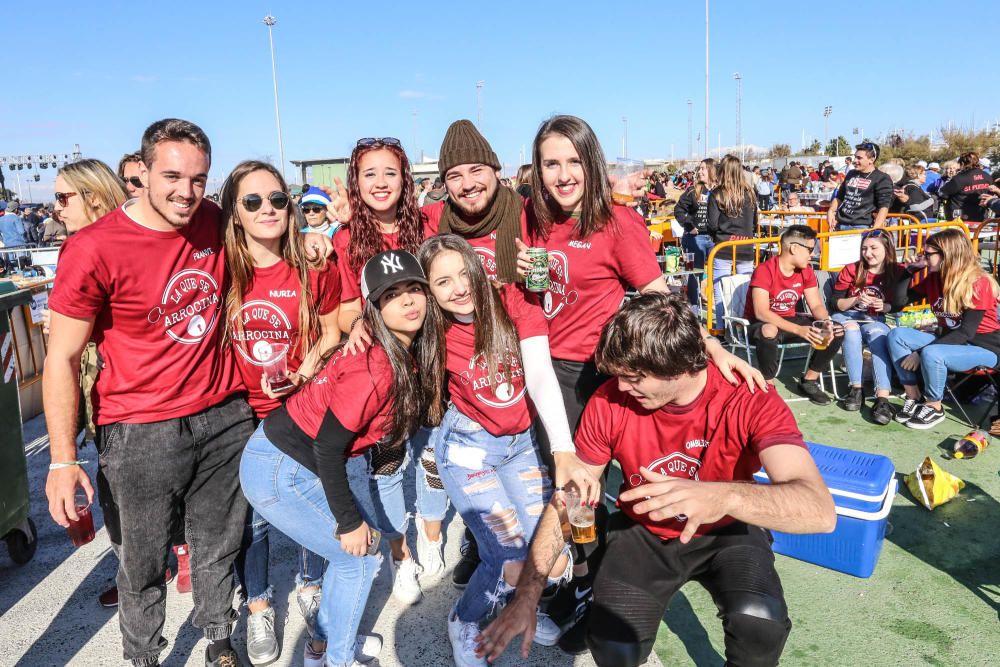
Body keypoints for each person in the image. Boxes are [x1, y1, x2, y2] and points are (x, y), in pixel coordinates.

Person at [476, 292, 836, 667]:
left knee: (759, 621)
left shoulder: (748, 397)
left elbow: (819, 509)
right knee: (613, 645)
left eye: (634, 377)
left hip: (727, 530)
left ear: (680, 367)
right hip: (645, 531)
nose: (622, 387)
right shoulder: (611, 399)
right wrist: (528, 595)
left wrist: (721, 497)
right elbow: (570, 497)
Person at [521, 116, 765, 652]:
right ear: (536, 169)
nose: (563, 175)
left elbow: (664, 300)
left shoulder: (616, 223)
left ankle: (594, 595)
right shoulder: (530, 219)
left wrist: (714, 348)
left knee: (590, 491)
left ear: (592, 162)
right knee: (562, 488)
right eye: (550, 163)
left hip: (600, 373)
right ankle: (582, 582)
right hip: (545, 370)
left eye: (573, 161)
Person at [44, 118, 254, 667]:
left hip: (224, 415)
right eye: (172, 176)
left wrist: (314, 242)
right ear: (140, 172)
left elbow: (274, 254)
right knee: (141, 564)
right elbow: (61, 358)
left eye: (199, 179)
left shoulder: (214, 220)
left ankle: (218, 640)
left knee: (219, 546)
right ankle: (144, 655)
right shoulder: (93, 247)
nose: (186, 192)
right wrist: (62, 460)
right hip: (139, 429)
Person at [241, 249, 435, 667]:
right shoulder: (376, 367)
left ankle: (323, 647)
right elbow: (328, 447)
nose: (408, 300)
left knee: (353, 559)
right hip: (281, 468)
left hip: (293, 457)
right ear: (375, 308)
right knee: (359, 560)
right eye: (392, 295)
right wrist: (348, 521)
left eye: (414, 289)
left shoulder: (396, 345)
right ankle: (337, 659)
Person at [418, 235, 592, 667]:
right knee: (511, 559)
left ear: (478, 268)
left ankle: (524, 604)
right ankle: (464, 620)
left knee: (550, 559)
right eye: (442, 282)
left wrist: (563, 448)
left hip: (521, 446)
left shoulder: (512, 300)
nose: (458, 287)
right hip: (469, 446)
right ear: (429, 291)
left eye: (463, 272)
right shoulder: (430, 325)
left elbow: (537, 372)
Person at [221, 160, 343, 664]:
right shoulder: (220, 271)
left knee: (307, 504)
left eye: (276, 199)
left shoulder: (315, 265)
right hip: (240, 414)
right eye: (252, 202)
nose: (267, 209)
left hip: (299, 409)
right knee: (255, 521)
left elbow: (333, 333)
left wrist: (306, 370)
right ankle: (258, 606)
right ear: (235, 214)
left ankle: (310, 586)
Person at [334, 136, 444, 602]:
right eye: (369, 174)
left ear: (407, 179)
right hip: (385, 380)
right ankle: (402, 556)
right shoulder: (344, 239)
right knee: (389, 469)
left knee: (436, 460)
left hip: (436, 368)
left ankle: (434, 536)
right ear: (356, 183)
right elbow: (340, 312)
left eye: (390, 173)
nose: (381, 183)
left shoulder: (431, 223)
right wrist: (359, 320)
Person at [888, 228, 1000, 429]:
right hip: (953, 343)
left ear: (947, 255)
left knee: (932, 352)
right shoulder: (935, 278)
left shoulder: (979, 283)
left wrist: (920, 352)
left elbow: (967, 332)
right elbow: (899, 303)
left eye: (928, 254)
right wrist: (909, 271)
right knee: (897, 335)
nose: (924, 257)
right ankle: (913, 397)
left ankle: (934, 406)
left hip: (986, 348)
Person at [744, 224, 844, 404]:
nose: (813, 254)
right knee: (769, 330)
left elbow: (815, 305)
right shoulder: (764, 270)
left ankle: (810, 380)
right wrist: (799, 330)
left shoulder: (806, 271)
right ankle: (767, 384)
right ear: (794, 248)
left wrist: (826, 321)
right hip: (761, 324)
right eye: (811, 249)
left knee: (836, 330)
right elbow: (761, 312)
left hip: (790, 321)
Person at [830, 230, 904, 422]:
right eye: (864, 248)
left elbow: (900, 303)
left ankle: (882, 398)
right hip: (847, 315)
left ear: (887, 249)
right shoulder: (852, 269)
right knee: (852, 331)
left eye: (873, 248)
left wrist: (885, 306)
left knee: (879, 336)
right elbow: (835, 303)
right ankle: (856, 388)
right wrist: (855, 299)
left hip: (874, 319)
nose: (867, 253)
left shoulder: (896, 271)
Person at [707, 154, 758, 324]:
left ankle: (722, 326)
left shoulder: (717, 194)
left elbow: (712, 224)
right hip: (746, 245)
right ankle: (744, 325)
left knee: (720, 288)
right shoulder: (750, 193)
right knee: (745, 288)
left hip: (723, 246)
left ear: (722, 171)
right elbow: (755, 222)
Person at [674, 158, 716, 307]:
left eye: (703, 168)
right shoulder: (693, 190)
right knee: (694, 274)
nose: (699, 171)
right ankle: (694, 309)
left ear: (712, 170)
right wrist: (689, 226)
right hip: (695, 238)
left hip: (714, 239)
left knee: (716, 273)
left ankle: (715, 305)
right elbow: (678, 210)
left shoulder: (719, 191)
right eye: (699, 169)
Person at [828, 142, 893, 231]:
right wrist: (831, 211)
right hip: (840, 224)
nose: (855, 161)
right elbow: (840, 196)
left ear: (871, 159)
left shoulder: (882, 178)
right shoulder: (851, 174)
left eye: (859, 158)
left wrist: (875, 229)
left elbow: (884, 206)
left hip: (861, 227)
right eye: (855, 157)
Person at [939, 151, 991, 222]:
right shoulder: (987, 176)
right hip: (981, 217)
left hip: (960, 219)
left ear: (962, 164)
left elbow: (942, 193)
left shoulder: (959, 178)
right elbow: (991, 194)